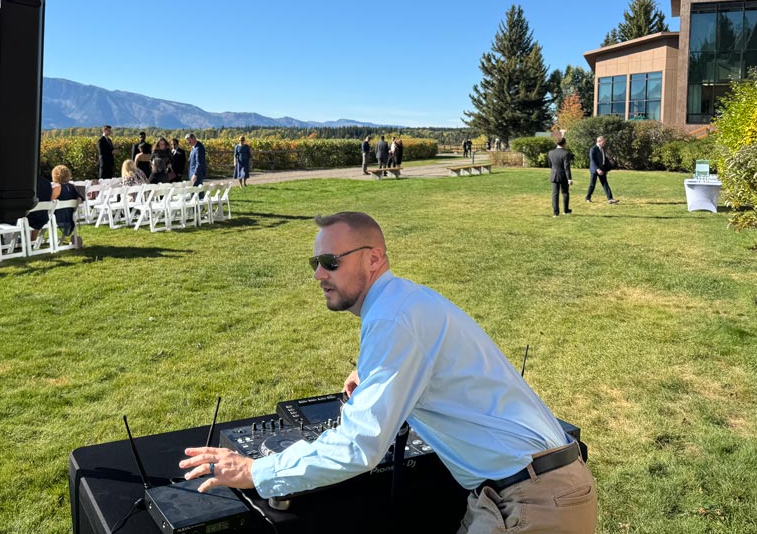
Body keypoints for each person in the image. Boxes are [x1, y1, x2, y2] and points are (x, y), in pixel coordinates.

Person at [179, 212, 597, 533]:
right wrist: (376, 375)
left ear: (374, 258)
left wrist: (255, 471)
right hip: (531, 487)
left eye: (329, 261)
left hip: (531, 500)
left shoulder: (393, 317)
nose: (318, 274)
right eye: (315, 262)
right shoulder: (404, 301)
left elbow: (360, 447)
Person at [50, 165, 83, 243]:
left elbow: (49, 202)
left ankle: (31, 240)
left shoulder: (57, 189)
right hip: (70, 217)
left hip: (58, 217)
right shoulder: (73, 188)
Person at [585, 135, 618, 204]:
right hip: (595, 170)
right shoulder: (593, 149)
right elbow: (593, 160)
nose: (605, 142)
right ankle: (588, 198)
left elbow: (604, 159)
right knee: (592, 184)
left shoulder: (602, 149)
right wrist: (597, 169)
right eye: (603, 141)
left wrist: (606, 169)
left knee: (605, 183)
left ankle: (610, 199)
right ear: (599, 141)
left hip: (602, 169)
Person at [548, 137, 574, 217]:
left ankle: (556, 212)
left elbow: (550, 165)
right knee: (565, 192)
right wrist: (569, 178)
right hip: (563, 175)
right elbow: (567, 167)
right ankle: (566, 210)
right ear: (564, 144)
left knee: (555, 194)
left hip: (554, 174)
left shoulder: (550, 152)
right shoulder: (566, 153)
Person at [27, 173, 54, 240]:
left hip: (28, 219)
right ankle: (32, 240)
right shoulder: (47, 183)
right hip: (43, 217)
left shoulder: (27, 182)